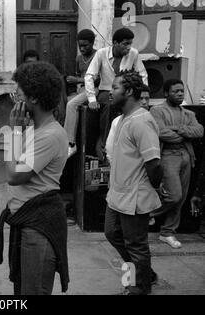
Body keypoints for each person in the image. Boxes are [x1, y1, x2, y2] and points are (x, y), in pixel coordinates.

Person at [0, 61, 69, 295]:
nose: (15, 100)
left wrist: (14, 131)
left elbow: (14, 175)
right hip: (28, 223)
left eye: (18, 94)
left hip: (39, 227)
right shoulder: (35, 130)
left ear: (34, 98)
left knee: (33, 291)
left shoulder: (48, 135)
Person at [105, 70, 163, 295]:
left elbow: (154, 164)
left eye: (114, 88)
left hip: (134, 197)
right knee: (112, 234)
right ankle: (143, 275)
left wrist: (154, 188)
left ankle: (139, 287)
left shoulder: (142, 121)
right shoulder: (122, 119)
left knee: (136, 246)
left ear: (128, 91)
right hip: (117, 195)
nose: (110, 92)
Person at [150, 79, 204, 249]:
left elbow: (199, 131)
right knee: (174, 195)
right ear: (166, 93)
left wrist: (177, 129)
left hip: (187, 156)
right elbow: (161, 132)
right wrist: (184, 132)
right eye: (176, 91)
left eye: (182, 91)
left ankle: (167, 232)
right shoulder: (157, 110)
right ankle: (145, 214)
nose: (180, 94)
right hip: (168, 155)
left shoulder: (189, 114)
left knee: (181, 198)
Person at [85, 28, 148, 161]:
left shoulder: (134, 54)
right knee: (108, 106)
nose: (129, 47)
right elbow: (89, 75)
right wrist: (91, 99)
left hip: (125, 92)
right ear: (115, 43)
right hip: (105, 91)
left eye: (130, 43)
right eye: (125, 44)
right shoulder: (101, 54)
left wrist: (142, 94)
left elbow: (143, 74)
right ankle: (106, 144)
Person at [64, 29, 98, 157]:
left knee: (71, 105)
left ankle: (71, 143)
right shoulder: (79, 58)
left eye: (85, 46)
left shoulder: (97, 56)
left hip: (94, 89)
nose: (82, 49)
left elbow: (97, 78)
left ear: (92, 43)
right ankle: (63, 136)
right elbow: (80, 76)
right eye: (80, 46)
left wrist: (76, 79)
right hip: (82, 89)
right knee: (63, 102)